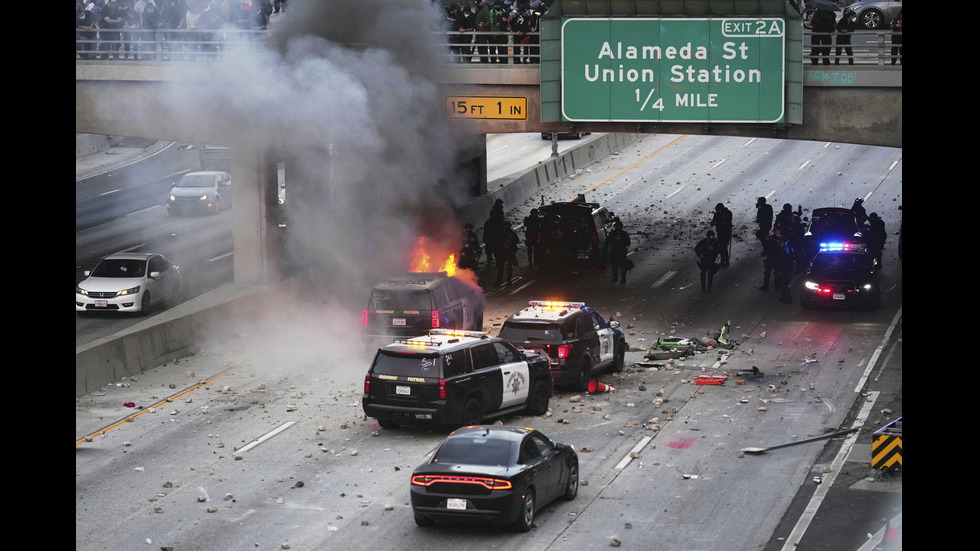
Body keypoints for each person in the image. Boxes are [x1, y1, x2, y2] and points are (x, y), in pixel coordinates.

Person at [604, 219, 632, 284]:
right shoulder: (624, 234)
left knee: (615, 266)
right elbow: (628, 243)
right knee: (622, 266)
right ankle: (622, 279)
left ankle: (615, 279)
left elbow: (607, 242)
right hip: (620, 252)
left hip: (615, 251)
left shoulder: (612, 233)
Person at [495, 220, 521, 286]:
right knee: (501, 267)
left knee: (509, 267)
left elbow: (517, 241)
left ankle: (508, 281)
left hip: (510, 252)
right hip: (503, 252)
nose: (506, 227)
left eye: (507, 225)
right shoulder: (501, 233)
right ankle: (499, 281)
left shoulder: (511, 234)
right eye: (505, 225)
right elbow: (497, 242)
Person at [709, 203, 733, 267]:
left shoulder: (728, 213)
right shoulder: (717, 214)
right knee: (722, 246)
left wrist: (719, 222)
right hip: (720, 232)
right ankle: (724, 260)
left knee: (724, 246)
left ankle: (725, 260)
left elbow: (728, 222)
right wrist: (713, 223)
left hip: (726, 232)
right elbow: (713, 222)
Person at [773, 232, 794, 303]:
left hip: (786, 270)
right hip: (783, 269)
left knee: (784, 284)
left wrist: (784, 270)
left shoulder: (786, 250)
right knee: (782, 284)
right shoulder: (783, 249)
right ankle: (784, 297)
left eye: (781, 243)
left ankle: (788, 299)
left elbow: (787, 261)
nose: (780, 244)